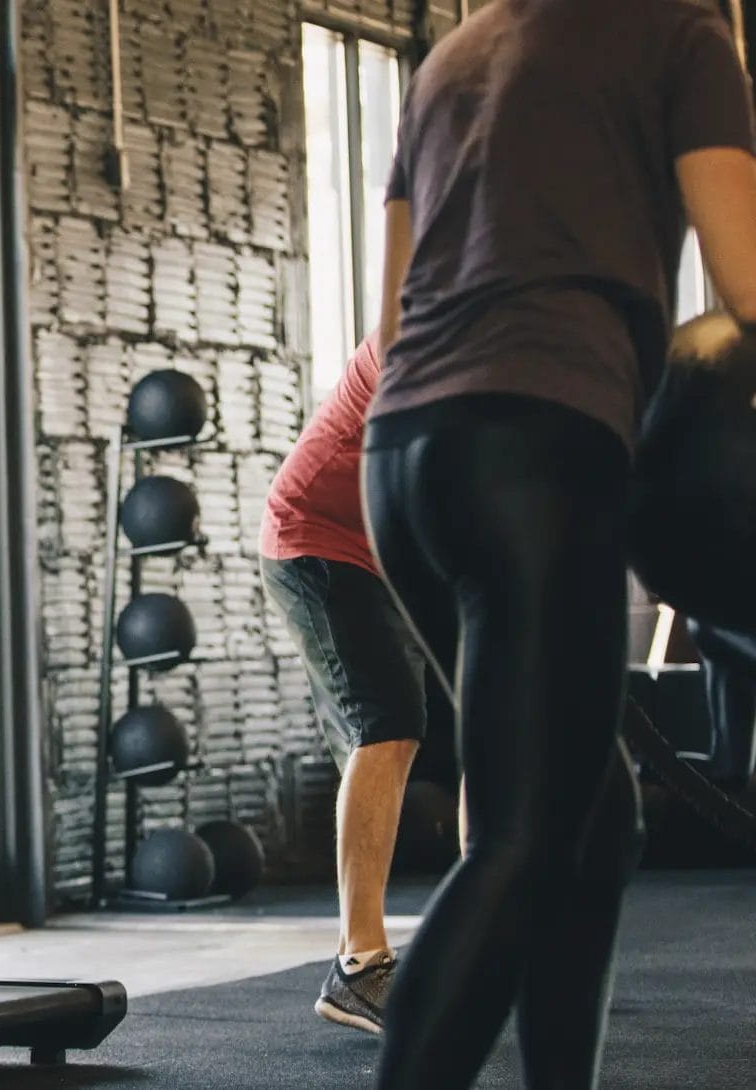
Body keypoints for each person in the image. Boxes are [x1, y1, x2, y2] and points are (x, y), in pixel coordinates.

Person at [362, 0, 756, 1085]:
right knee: (528, 841)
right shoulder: (683, 36)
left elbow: (394, 322)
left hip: (401, 459)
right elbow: (747, 275)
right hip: (535, 447)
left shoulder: (452, 55)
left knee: (591, 819)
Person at [261, 333, 429, 1035]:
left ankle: (495, 936)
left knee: (421, 729)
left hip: (383, 554)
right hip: (317, 539)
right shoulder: (419, 337)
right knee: (386, 723)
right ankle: (358, 967)